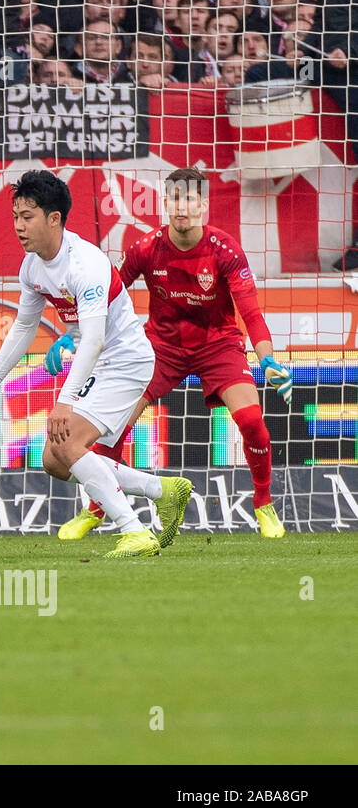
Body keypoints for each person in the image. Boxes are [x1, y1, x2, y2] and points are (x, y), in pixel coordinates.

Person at [48, 168, 292, 540]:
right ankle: (97, 509)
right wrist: (72, 334)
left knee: (251, 420)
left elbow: (251, 312)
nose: (182, 207)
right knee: (114, 427)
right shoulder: (146, 248)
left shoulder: (225, 250)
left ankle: (263, 503)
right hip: (160, 348)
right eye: (175, 199)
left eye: (190, 199)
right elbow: (106, 289)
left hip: (219, 346)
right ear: (165, 204)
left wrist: (268, 359)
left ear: (204, 206)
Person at [0, 170, 191, 559]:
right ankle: (163, 492)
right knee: (54, 459)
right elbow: (22, 328)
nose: (19, 226)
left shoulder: (85, 264)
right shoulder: (32, 267)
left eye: (28, 216)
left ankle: (133, 532)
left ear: (54, 218)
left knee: (68, 443)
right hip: (100, 363)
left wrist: (65, 400)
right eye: (16, 216)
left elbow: (96, 338)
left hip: (126, 362)